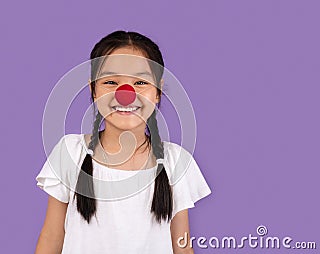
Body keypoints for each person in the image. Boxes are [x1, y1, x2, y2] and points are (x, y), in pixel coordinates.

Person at [34, 30, 212, 254]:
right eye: (110, 81)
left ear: (157, 91)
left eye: (140, 82)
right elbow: (51, 237)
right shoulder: (71, 152)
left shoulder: (175, 161)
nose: (125, 94)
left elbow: (183, 248)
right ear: (93, 90)